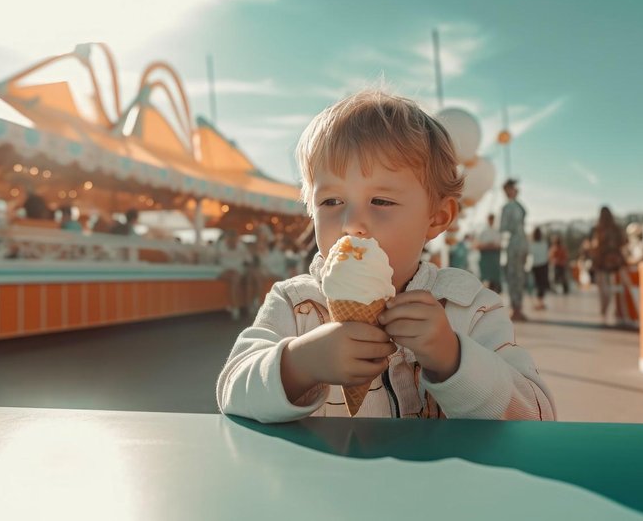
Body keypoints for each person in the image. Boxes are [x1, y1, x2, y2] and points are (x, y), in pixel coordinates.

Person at [217, 89, 555, 422]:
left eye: (381, 201)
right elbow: (231, 392)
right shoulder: (295, 305)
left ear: (436, 217)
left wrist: (453, 358)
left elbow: (536, 415)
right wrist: (298, 363)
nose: (353, 224)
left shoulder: (469, 308)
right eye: (331, 202)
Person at [499, 179, 529, 322]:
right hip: (513, 245)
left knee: (520, 276)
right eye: (512, 188)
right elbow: (503, 228)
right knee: (513, 276)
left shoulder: (518, 205)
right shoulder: (507, 207)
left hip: (522, 244)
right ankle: (515, 307)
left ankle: (519, 307)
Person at [590, 206, 627, 320]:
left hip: (602, 259)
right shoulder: (616, 228)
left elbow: (595, 245)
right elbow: (624, 242)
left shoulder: (598, 229)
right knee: (616, 284)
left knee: (603, 286)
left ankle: (604, 308)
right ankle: (617, 308)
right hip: (616, 259)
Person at [216, 229, 251, 320]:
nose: (232, 241)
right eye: (230, 239)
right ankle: (236, 307)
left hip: (238, 271)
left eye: (234, 239)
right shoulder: (221, 245)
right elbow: (218, 260)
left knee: (236, 279)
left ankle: (235, 306)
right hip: (224, 270)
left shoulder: (241, 246)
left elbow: (248, 260)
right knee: (234, 279)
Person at [476, 213, 502, 293]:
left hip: (494, 258)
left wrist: (489, 246)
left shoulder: (497, 231)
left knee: (494, 279)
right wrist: (489, 245)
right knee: (485, 278)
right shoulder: (483, 232)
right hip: (486, 257)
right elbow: (478, 245)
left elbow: (499, 246)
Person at [529, 227, 550, 310]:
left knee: (536, 285)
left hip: (535, 266)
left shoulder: (531, 244)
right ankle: (540, 303)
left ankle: (538, 303)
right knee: (542, 285)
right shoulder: (544, 244)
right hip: (543, 266)